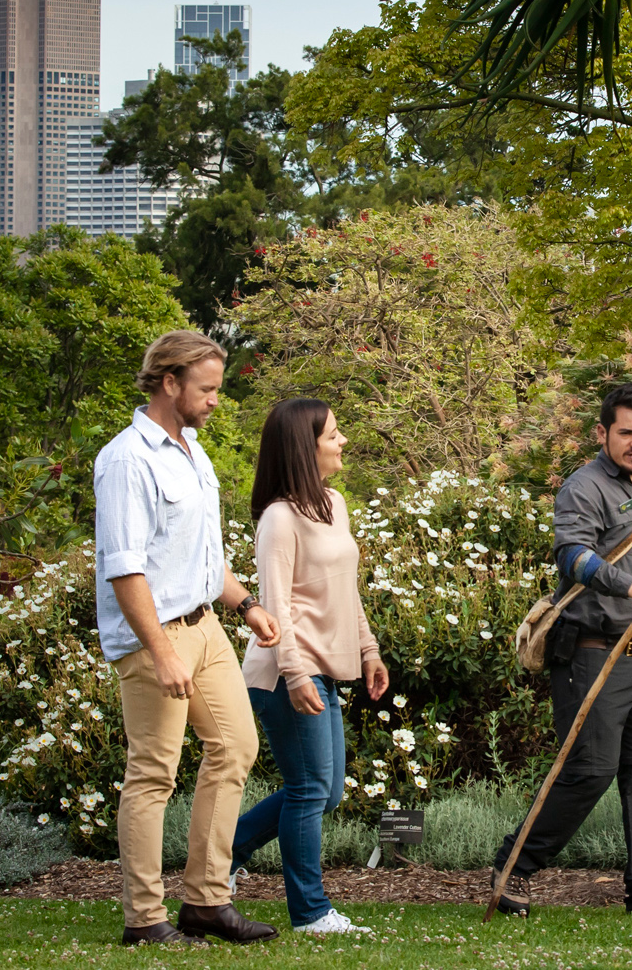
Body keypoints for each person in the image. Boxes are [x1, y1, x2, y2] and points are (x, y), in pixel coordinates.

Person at [491, 382, 632, 917]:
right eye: (626, 432)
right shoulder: (583, 487)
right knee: (590, 772)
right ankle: (512, 870)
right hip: (592, 652)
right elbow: (571, 554)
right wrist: (628, 587)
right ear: (603, 433)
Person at [96, 330, 282, 946]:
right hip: (158, 638)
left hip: (205, 626)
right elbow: (125, 567)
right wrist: (161, 650)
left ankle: (206, 902)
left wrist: (247, 604)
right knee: (153, 773)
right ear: (168, 383)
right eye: (206, 389)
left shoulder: (194, 453)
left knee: (236, 747)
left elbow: (200, 558)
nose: (215, 400)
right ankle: (144, 918)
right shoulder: (128, 459)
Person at [232, 397, 390, 935]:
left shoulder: (333, 503)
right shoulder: (279, 519)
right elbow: (276, 607)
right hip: (282, 671)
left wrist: (368, 649)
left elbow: (345, 591)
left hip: (322, 665)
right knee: (308, 790)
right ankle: (311, 912)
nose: (343, 441)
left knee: (327, 791)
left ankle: (220, 857)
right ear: (307, 446)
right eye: (333, 435)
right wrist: (295, 674)